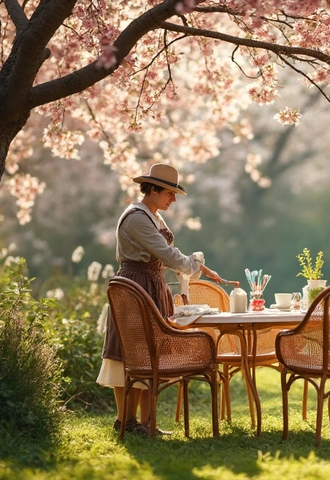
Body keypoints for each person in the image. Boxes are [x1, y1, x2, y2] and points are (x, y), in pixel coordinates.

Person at [96, 163, 227, 436]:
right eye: (170, 193)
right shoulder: (136, 218)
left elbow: (169, 253)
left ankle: (147, 423)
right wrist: (193, 263)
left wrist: (196, 265)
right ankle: (126, 421)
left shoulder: (153, 216)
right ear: (153, 190)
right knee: (129, 352)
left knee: (153, 352)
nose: (174, 199)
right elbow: (166, 254)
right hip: (136, 285)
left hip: (154, 285)